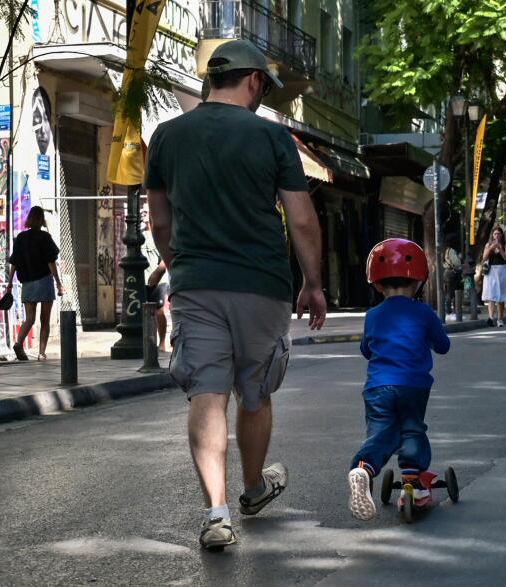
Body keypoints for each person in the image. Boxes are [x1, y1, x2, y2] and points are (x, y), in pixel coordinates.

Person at [144, 40, 327, 551]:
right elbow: (303, 219)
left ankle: (217, 513)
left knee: (207, 392)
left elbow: (160, 221)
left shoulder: (166, 136)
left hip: (196, 282)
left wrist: (181, 263)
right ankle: (251, 489)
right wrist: (312, 284)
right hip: (262, 284)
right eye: (264, 86)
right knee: (255, 390)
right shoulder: (272, 137)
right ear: (252, 81)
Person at [347, 239, 450, 521]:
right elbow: (443, 346)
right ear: (418, 281)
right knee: (412, 430)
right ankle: (413, 482)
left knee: (382, 433)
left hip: (378, 387)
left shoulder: (372, 315)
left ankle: (364, 468)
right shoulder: (424, 313)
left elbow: (366, 350)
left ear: (376, 285)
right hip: (413, 386)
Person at [7, 206, 63, 361]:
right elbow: (51, 262)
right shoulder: (45, 237)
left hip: (27, 283)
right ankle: (41, 353)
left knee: (30, 318)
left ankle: (19, 343)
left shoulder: (20, 238)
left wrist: (10, 283)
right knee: (45, 320)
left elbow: (14, 262)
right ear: (41, 219)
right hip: (44, 281)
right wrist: (58, 282)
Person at [141, 206, 169, 351]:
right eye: (142, 212)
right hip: (142, 279)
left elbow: (166, 257)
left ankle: (162, 342)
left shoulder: (159, 235)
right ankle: (148, 343)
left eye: (146, 212)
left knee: (158, 311)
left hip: (158, 280)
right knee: (145, 312)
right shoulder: (139, 236)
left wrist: (158, 272)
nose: (143, 214)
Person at [481, 227, 506, 327]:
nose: (496, 236)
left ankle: (500, 318)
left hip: (502, 270)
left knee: (501, 296)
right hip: (491, 271)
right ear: (492, 235)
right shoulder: (488, 244)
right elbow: (484, 258)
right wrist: (491, 248)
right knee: (491, 295)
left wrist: (500, 249)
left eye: (498, 234)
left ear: (501, 235)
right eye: (495, 234)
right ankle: (491, 317)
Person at [442, 239, 462, 316]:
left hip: (447, 272)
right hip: (452, 273)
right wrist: (459, 258)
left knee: (448, 293)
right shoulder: (451, 250)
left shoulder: (446, 250)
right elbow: (456, 262)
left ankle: (449, 311)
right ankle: (450, 311)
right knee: (452, 293)